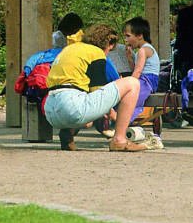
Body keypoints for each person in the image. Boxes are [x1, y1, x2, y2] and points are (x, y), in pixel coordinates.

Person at [43, 23, 146, 152]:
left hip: (51, 110)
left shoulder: (70, 48)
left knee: (86, 118)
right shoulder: (96, 52)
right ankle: (119, 140)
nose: (108, 53)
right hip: (71, 106)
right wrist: (114, 115)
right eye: (110, 49)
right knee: (132, 83)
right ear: (109, 44)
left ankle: (67, 133)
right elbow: (97, 90)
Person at [123, 17, 160, 121]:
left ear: (139, 36)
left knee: (132, 97)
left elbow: (138, 71)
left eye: (128, 36)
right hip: (145, 79)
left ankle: (125, 120)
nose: (126, 40)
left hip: (147, 80)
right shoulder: (143, 49)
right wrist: (130, 58)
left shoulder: (143, 50)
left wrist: (130, 83)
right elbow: (135, 69)